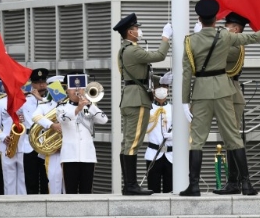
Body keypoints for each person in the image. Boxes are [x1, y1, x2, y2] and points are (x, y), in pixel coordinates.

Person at [180, 0, 260, 197]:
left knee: (197, 141)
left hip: (201, 92)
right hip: (224, 89)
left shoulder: (190, 40)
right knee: (233, 137)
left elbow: (187, 73)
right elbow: (255, 37)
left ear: (199, 18)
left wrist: (184, 100)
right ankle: (246, 185)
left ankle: (194, 186)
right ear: (216, 19)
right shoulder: (225, 35)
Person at [113, 13, 172, 195]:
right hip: (137, 99)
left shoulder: (126, 49)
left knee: (128, 143)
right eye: (136, 28)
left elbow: (140, 75)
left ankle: (129, 185)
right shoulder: (132, 50)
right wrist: (165, 37)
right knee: (132, 143)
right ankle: (131, 185)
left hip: (132, 96)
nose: (139, 31)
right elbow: (160, 55)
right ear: (130, 32)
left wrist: (159, 79)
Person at [213, 12, 250, 195]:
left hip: (231, 92)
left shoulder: (233, 46)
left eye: (227, 26)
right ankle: (235, 182)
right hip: (228, 90)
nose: (224, 28)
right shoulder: (233, 43)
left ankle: (238, 182)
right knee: (230, 139)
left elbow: (213, 53)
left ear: (235, 29)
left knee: (232, 139)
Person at [56, 82, 108, 194]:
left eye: (80, 88)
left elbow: (104, 120)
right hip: (70, 156)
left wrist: (89, 105)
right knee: (70, 191)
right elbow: (63, 119)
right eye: (73, 88)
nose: (77, 91)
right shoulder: (62, 107)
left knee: (87, 191)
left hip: (88, 156)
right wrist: (78, 108)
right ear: (67, 91)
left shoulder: (89, 108)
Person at [143, 72, 177, 193]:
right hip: (154, 154)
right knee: (153, 191)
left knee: (171, 191)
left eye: (165, 87)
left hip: (171, 156)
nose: (162, 90)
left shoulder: (174, 108)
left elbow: (185, 130)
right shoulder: (148, 108)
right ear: (153, 89)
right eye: (158, 87)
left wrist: (175, 136)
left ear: (168, 89)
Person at [31, 83, 64, 194]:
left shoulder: (73, 105)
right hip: (53, 151)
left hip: (70, 150)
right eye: (60, 88)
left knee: (70, 185)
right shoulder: (45, 105)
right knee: (54, 183)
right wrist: (52, 125)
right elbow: (35, 116)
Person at [23, 68, 50, 194]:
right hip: (29, 143)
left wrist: (40, 99)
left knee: (46, 179)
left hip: (47, 141)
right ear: (32, 84)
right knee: (31, 180)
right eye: (38, 82)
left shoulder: (52, 98)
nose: (42, 85)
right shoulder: (25, 99)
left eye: (43, 81)